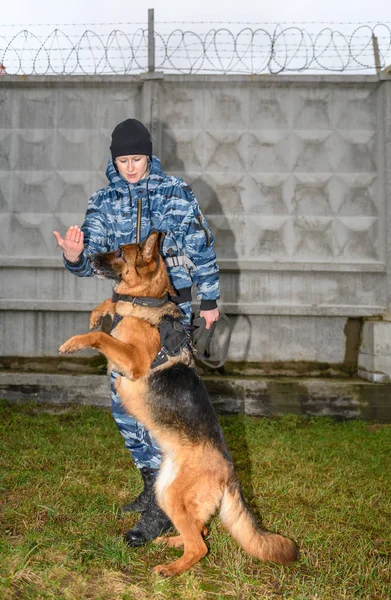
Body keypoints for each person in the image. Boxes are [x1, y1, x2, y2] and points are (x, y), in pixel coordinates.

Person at [53, 118, 220, 547]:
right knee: (124, 403)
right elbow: (94, 257)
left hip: (170, 312)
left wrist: (211, 301)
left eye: (137, 158)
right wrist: (73, 256)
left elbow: (201, 246)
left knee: (163, 405)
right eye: (123, 160)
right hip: (127, 312)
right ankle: (152, 483)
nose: (131, 167)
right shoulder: (104, 200)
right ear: (114, 160)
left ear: (150, 155)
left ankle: (166, 504)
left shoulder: (176, 193)